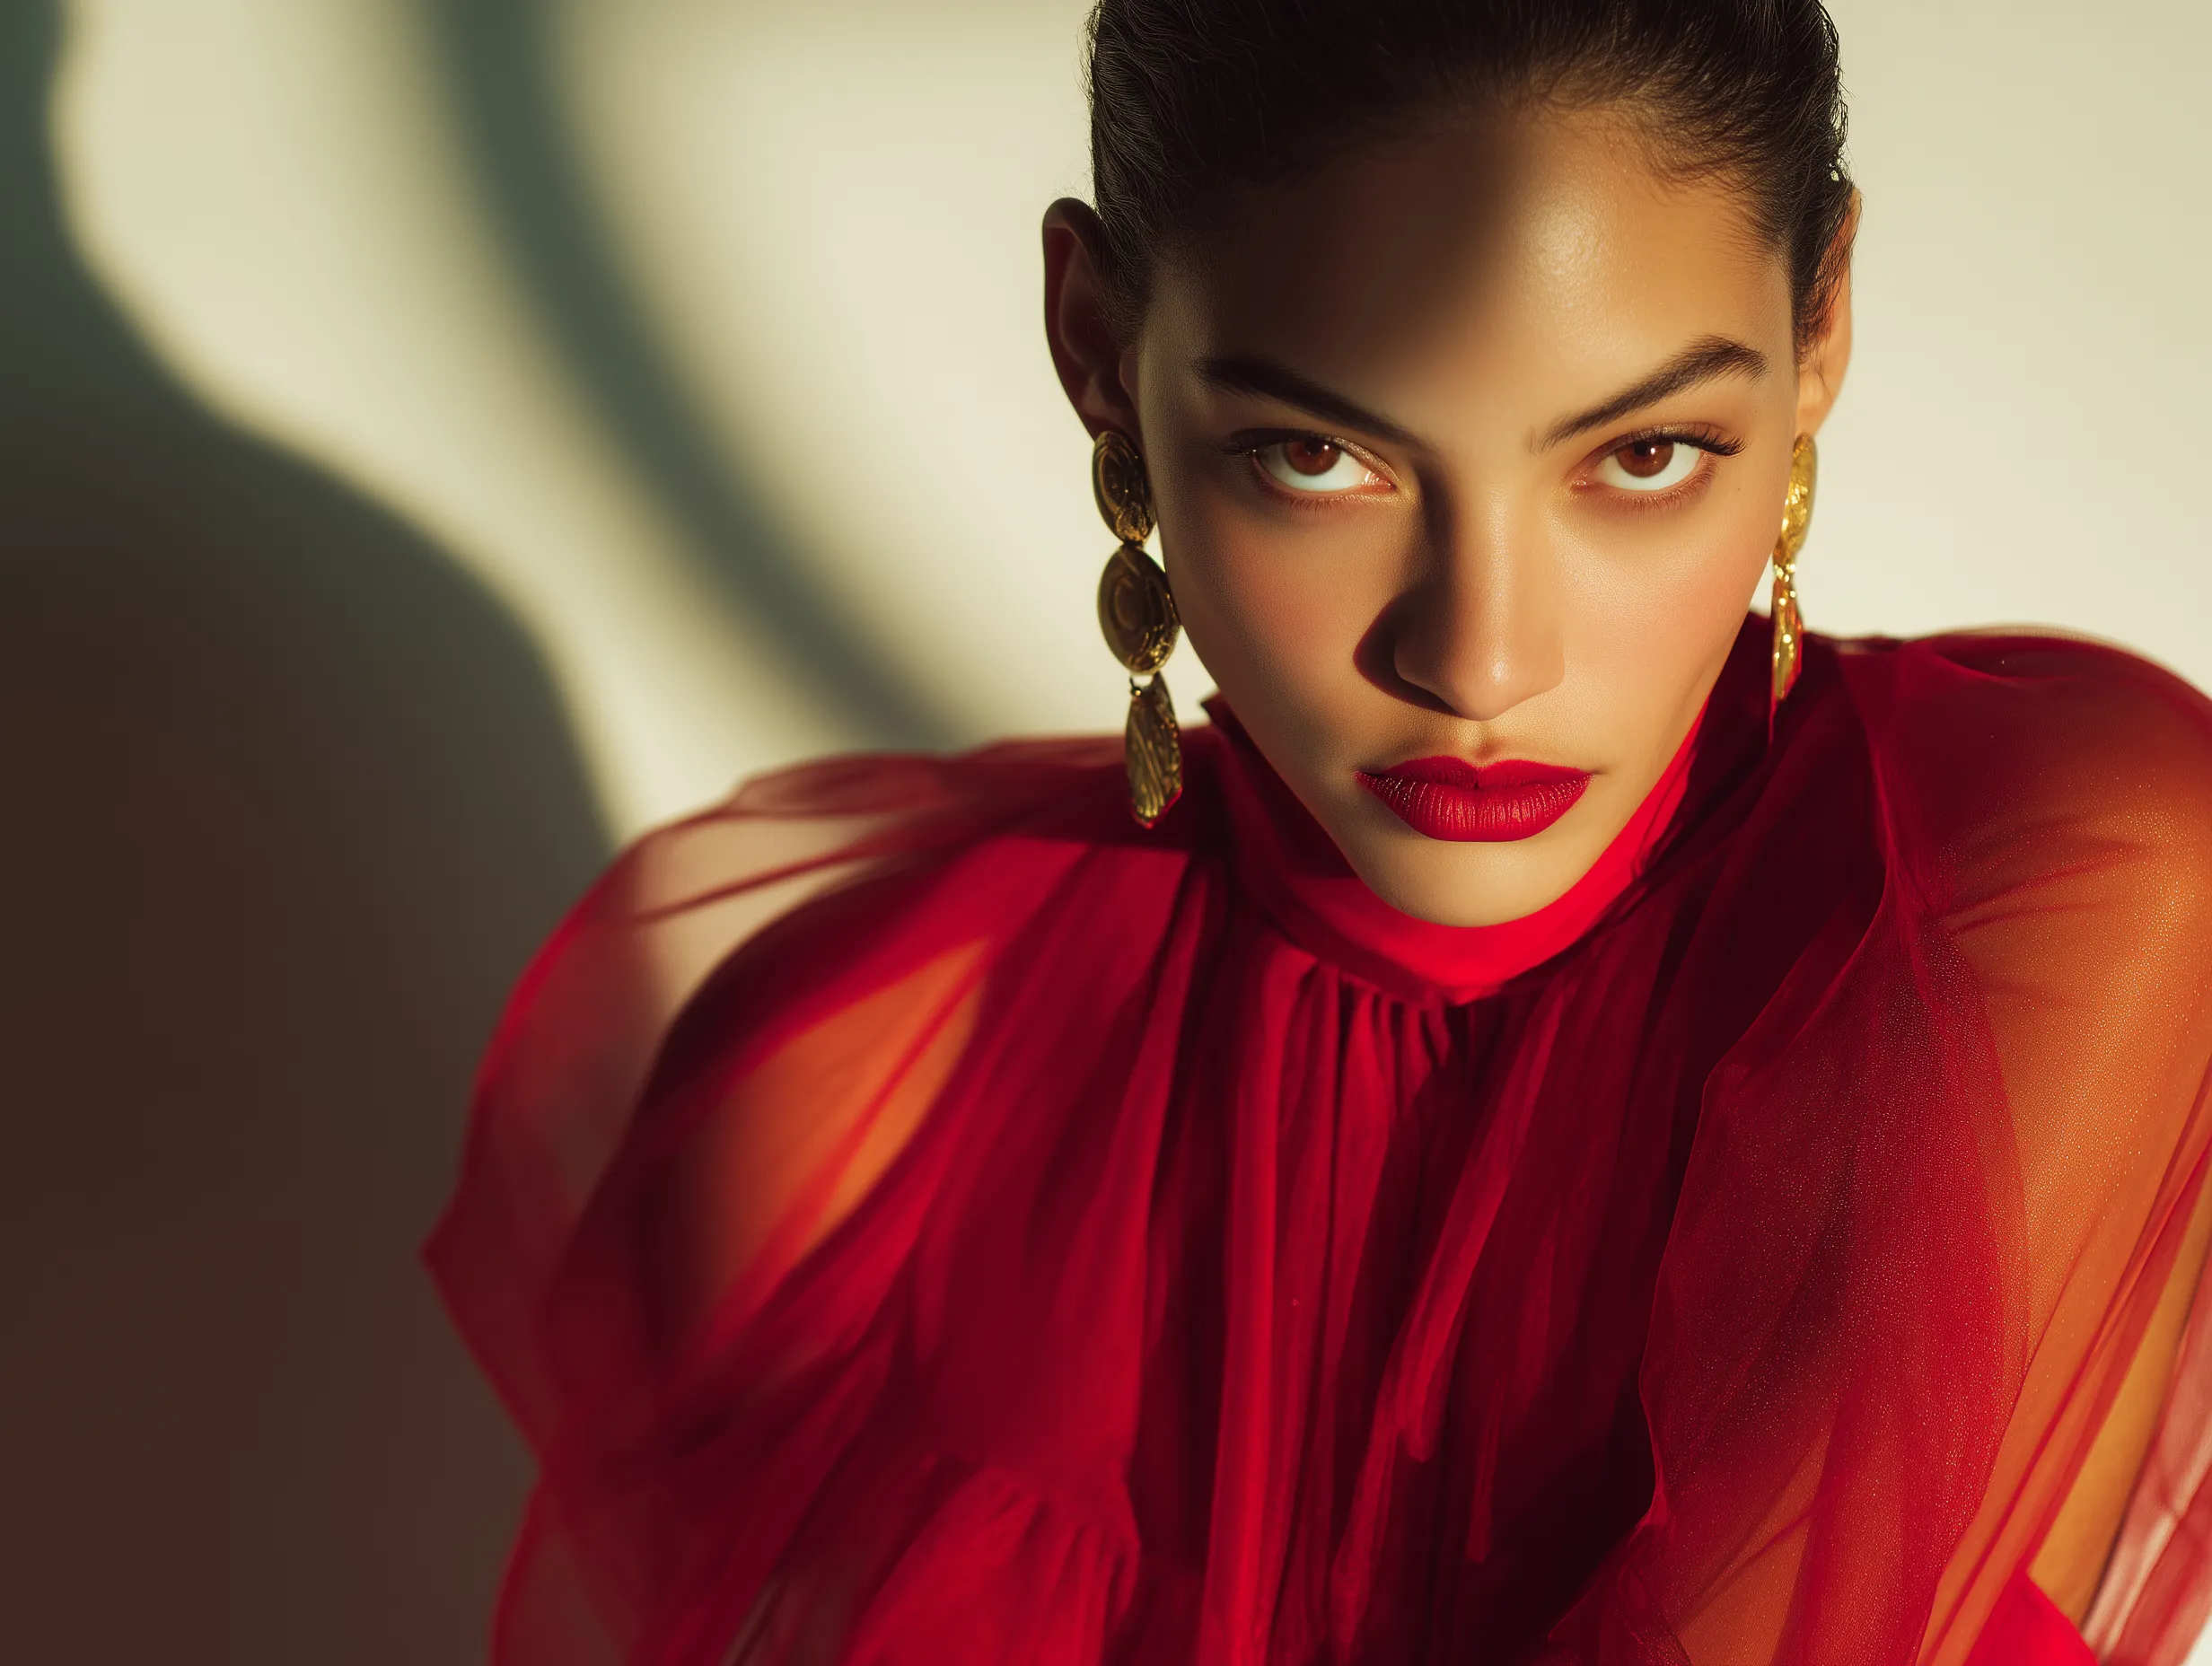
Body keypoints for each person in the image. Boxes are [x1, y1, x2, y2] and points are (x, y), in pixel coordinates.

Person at [427, 2, 2212, 1661]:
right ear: (1097, 350)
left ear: (1816, 325)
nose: (1476, 657)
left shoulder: (2043, 875)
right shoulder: (842, 1095)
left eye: (1644, 453)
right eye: (1314, 457)